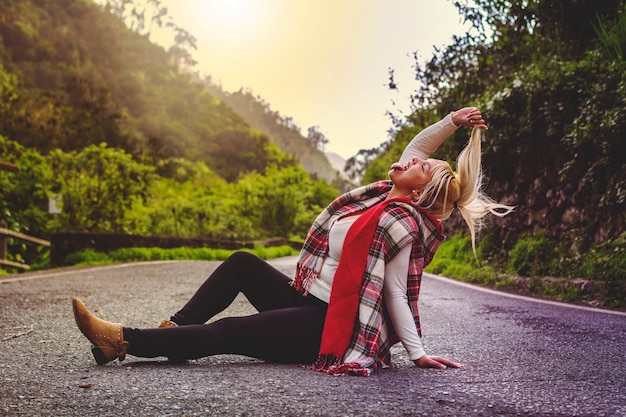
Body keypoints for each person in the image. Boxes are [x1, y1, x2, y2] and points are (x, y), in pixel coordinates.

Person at [72, 107, 513, 376]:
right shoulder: (382, 196)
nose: (413, 158)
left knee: (229, 332)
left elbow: (396, 292)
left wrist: (418, 354)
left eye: (422, 165)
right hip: (308, 301)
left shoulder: (403, 224)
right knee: (242, 262)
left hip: (326, 329)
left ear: (419, 191)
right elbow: (418, 144)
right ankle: (174, 333)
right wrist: (454, 121)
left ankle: (125, 341)